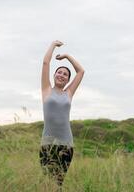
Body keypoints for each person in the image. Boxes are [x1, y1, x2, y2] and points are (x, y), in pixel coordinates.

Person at [39, 40, 85, 188]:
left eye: (65, 74)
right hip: (47, 144)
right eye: (59, 72)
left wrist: (66, 56)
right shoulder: (46, 90)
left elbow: (81, 71)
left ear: (67, 80)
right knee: (47, 183)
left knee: (58, 183)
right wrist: (53, 45)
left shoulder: (69, 93)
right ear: (54, 75)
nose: (62, 75)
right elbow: (46, 63)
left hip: (66, 144)